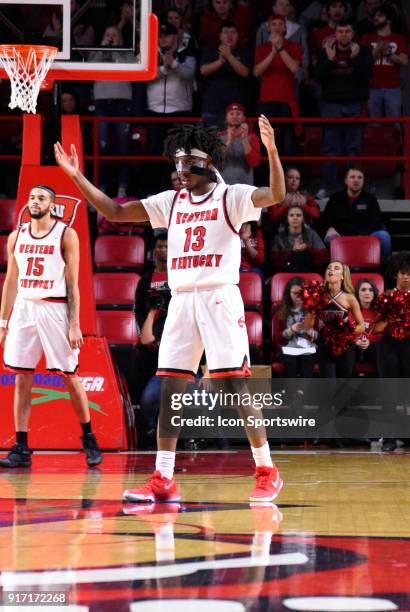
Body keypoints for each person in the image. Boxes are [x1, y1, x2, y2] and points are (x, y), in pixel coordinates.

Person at [54, 115, 286, 503]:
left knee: (234, 384)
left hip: (217, 297)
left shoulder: (232, 196)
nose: (180, 170)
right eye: (176, 163)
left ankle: (267, 470)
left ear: (208, 162)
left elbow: (275, 194)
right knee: (171, 389)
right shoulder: (172, 201)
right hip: (181, 300)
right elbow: (114, 211)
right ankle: (163, 476)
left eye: (187, 162)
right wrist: (77, 177)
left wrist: (273, 151)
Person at [0, 185, 103, 468]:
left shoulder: (66, 235)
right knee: (22, 376)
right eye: (32, 198)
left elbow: (73, 283)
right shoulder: (16, 236)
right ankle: (21, 447)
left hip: (55, 308)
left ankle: (89, 438)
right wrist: (3, 322)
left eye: (41, 198)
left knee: (71, 376)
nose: (35, 202)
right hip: (24, 307)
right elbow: (10, 281)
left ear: (52, 205)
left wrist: (74, 324)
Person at [315, 18, 373, 197]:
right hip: (331, 104)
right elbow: (318, 77)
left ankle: (355, 188)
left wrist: (355, 60)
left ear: (352, 33)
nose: (343, 35)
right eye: (340, 32)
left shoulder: (362, 51)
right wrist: (330, 60)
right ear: (335, 34)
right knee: (330, 148)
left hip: (354, 104)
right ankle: (328, 187)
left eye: (347, 31)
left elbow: (367, 76)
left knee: (354, 149)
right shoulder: (326, 51)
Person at [89, 26, 135, 198]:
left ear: (120, 38)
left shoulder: (127, 53)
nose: (110, 37)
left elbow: (130, 71)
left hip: (122, 103)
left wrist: (115, 50)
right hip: (102, 103)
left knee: (124, 147)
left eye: (114, 35)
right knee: (102, 148)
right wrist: (102, 50)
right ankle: (101, 187)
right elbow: (90, 71)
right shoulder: (96, 53)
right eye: (107, 35)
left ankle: (122, 188)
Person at [134, 233, 170, 449]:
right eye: (160, 246)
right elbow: (138, 312)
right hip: (149, 346)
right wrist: (146, 338)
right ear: (153, 250)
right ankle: (147, 437)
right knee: (147, 397)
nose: (164, 250)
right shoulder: (145, 280)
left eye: (167, 246)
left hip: (172, 343)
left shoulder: (179, 276)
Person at [374, 252, 410, 451]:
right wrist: (391, 317)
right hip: (389, 345)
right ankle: (388, 438)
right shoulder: (386, 297)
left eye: (409, 274)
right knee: (389, 392)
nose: (406, 277)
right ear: (395, 274)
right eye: (403, 273)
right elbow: (377, 328)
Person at [305, 260, 365, 377]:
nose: (331, 270)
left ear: (343, 276)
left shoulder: (350, 298)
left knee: (344, 384)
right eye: (329, 268)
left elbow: (361, 326)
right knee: (329, 384)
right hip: (325, 344)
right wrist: (314, 324)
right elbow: (308, 326)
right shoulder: (318, 296)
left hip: (345, 345)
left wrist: (346, 331)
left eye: (336, 268)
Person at [254, 14, 302, 155]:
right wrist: (273, 52)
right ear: (268, 28)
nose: (277, 27)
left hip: (287, 100)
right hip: (266, 100)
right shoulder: (262, 48)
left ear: (285, 28)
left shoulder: (294, 47)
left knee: (288, 142)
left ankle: (287, 174)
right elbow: (256, 72)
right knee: (264, 142)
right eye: (273, 24)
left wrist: (280, 49)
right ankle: (265, 175)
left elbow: (295, 69)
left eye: (280, 24)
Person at [321, 165, 392, 262]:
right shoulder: (335, 198)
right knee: (330, 238)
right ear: (346, 180)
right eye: (352, 177)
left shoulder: (370, 199)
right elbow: (326, 218)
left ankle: (384, 272)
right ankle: (335, 271)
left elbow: (375, 222)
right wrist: (330, 228)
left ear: (363, 181)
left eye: (359, 177)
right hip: (341, 236)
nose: (356, 180)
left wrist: (360, 235)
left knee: (384, 236)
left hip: (366, 236)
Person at [147, 22, 196, 153]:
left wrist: (174, 65)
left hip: (180, 111)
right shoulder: (151, 53)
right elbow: (145, 77)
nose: (162, 39)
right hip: (155, 111)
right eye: (160, 36)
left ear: (175, 37)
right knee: (155, 151)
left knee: (180, 153)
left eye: (167, 35)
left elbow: (190, 73)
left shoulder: (186, 52)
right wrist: (164, 68)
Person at [361, 5, 408, 119]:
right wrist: (377, 50)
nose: (376, 18)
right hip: (372, 87)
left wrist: (388, 54)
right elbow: (363, 62)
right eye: (375, 16)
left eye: (380, 15)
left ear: (389, 19)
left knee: (394, 123)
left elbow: (404, 61)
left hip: (393, 88)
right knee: (374, 124)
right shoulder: (367, 38)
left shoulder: (399, 38)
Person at [200, 22, 251, 127]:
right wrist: (220, 62)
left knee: (233, 139)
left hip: (235, 106)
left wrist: (229, 56)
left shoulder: (244, 52)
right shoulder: (211, 51)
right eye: (226, 32)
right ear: (220, 36)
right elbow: (203, 70)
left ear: (238, 36)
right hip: (212, 104)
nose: (229, 35)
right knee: (209, 139)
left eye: (233, 32)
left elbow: (245, 72)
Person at [273, 276, 318, 377]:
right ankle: (292, 390)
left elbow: (318, 336)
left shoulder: (311, 310)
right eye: (295, 293)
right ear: (288, 294)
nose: (298, 296)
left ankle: (302, 392)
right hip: (288, 347)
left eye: (301, 293)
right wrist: (291, 330)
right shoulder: (280, 311)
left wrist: (311, 332)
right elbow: (276, 338)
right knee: (290, 358)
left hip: (307, 347)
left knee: (308, 357)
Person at [271, 205, 328, 272]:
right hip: (287, 270)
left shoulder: (311, 233)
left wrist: (307, 248)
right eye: (291, 215)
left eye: (298, 215)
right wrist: (292, 252)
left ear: (303, 219)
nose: (295, 218)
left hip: (309, 268)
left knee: (303, 255)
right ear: (287, 219)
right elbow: (275, 262)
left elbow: (324, 257)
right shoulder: (279, 237)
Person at [219, 103, 261, 185]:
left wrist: (244, 140)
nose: (234, 117)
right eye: (231, 114)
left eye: (238, 114)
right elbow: (215, 162)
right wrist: (229, 142)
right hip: (223, 186)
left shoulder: (252, 137)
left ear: (244, 118)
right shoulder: (218, 137)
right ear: (226, 117)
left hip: (245, 187)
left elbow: (255, 162)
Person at [354, 278, 380, 373]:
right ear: (357, 293)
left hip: (372, 348)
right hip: (354, 348)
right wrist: (356, 341)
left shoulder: (379, 312)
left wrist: (368, 341)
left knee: (378, 349)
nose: (367, 292)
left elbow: (380, 335)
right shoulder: (350, 311)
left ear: (374, 294)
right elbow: (346, 333)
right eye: (363, 290)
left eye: (370, 290)